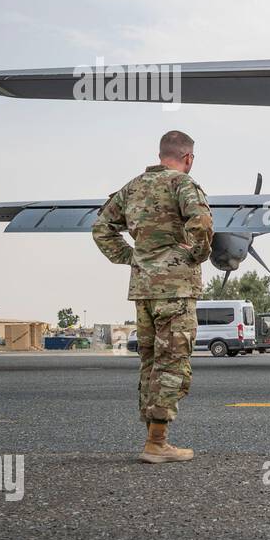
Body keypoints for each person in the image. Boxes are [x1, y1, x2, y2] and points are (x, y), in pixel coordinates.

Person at [92, 130, 213, 462]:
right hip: (176, 288)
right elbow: (201, 221)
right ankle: (157, 443)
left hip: (144, 290)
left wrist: (131, 257)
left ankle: (154, 438)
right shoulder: (182, 184)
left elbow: (101, 227)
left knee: (150, 363)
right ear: (188, 157)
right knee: (173, 361)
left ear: (161, 154)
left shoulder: (131, 187)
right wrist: (198, 254)